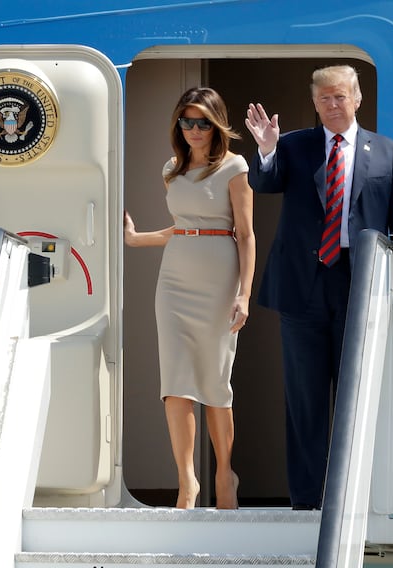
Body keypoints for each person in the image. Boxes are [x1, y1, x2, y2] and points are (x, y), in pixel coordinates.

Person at [245, 65, 393, 510]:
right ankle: (307, 503)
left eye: (340, 97)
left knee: (357, 399)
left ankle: (355, 500)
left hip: (360, 289)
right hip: (302, 290)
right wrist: (266, 149)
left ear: (357, 99)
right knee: (306, 403)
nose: (332, 105)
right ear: (315, 103)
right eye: (324, 99)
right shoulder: (295, 146)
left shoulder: (387, 152)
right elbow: (264, 183)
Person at [124, 87, 255, 510]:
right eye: (187, 121)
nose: (194, 129)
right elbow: (181, 227)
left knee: (216, 382)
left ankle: (224, 474)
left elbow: (246, 234)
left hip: (220, 279)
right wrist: (137, 239)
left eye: (202, 122)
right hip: (175, 281)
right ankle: (187, 482)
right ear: (178, 125)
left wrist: (245, 294)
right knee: (176, 382)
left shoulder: (235, 166)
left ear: (216, 124)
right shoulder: (171, 169)